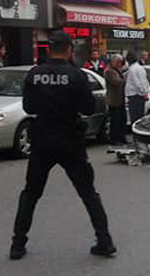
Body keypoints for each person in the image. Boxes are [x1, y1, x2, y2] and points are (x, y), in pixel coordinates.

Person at [10, 30, 116, 260]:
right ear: (69, 50)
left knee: (30, 193)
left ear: (49, 49)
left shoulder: (34, 74)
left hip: (42, 140)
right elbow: (88, 108)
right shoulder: (76, 75)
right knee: (88, 193)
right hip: (70, 140)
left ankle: (17, 244)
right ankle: (105, 241)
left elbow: (29, 108)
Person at [105, 54, 127, 145]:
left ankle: (121, 137)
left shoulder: (118, 70)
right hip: (114, 100)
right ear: (112, 62)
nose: (119, 64)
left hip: (120, 99)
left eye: (120, 62)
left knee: (122, 119)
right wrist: (126, 80)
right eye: (117, 62)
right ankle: (114, 138)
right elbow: (116, 82)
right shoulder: (109, 71)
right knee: (115, 121)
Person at [125, 52, 150, 126]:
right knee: (139, 116)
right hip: (138, 95)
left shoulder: (133, 69)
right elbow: (144, 81)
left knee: (135, 118)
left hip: (135, 96)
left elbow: (137, 84)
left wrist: (143, 93)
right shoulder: (140, 68)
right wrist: (145, 92)